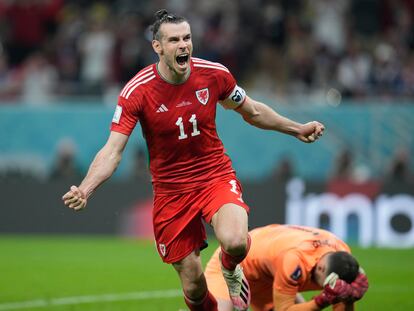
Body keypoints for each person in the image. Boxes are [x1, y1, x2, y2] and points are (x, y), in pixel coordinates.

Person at [62, 9, 325, 311]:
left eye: (187, 38)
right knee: (194, 287)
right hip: (171, 192)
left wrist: (297, 128)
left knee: (236, 241)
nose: (183, 45)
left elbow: (252, 111)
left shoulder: (214, 74)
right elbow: (112, 151)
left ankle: (230, 268)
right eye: (174, 40)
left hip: (214, 175)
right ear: (157, 47)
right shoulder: (137, 90)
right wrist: (86, 189)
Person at [205, 224, 369, 311]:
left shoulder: (342, 254)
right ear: (320, 269)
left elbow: (341, 300)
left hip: (268, 274)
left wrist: (348, 298)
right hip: (232, 264)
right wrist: (322, 300)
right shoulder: (294, 261)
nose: (325, 288)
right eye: (326, 284)